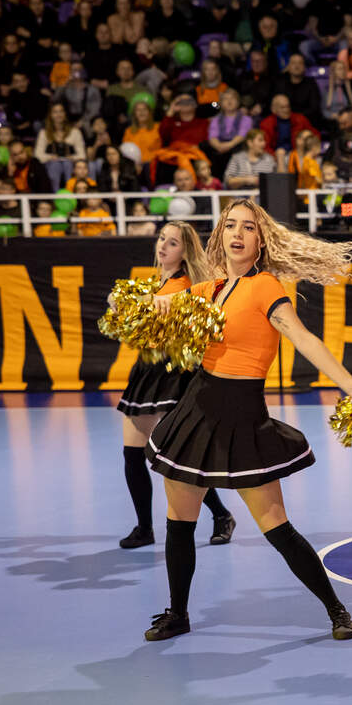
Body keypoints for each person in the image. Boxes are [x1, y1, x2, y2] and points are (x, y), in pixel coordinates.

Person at [142, 200, 352, 642]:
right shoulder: (211, 288)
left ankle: (336, 610)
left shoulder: (266, 286)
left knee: (277, 526)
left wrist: (348, 384)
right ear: (220, 235)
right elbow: (153, 304)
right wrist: (135, 301)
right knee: (179, 521)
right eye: (231, 226)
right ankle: (178, 613)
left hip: (242, 416)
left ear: (261, 241)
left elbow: (302, 337)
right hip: (195, 411)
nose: (238, 234)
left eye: (248, 227)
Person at [117, 222, 238, 549]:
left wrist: (131, 307)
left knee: (176, 457)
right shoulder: (158, 282)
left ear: (185, 252)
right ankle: (144, 528)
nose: (163, 246)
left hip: (175, 373)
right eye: (162, 239)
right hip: (147, 370)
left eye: (172, 243)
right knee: (132, 454)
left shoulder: (184, 285)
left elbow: (162, 322)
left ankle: (221, 515)